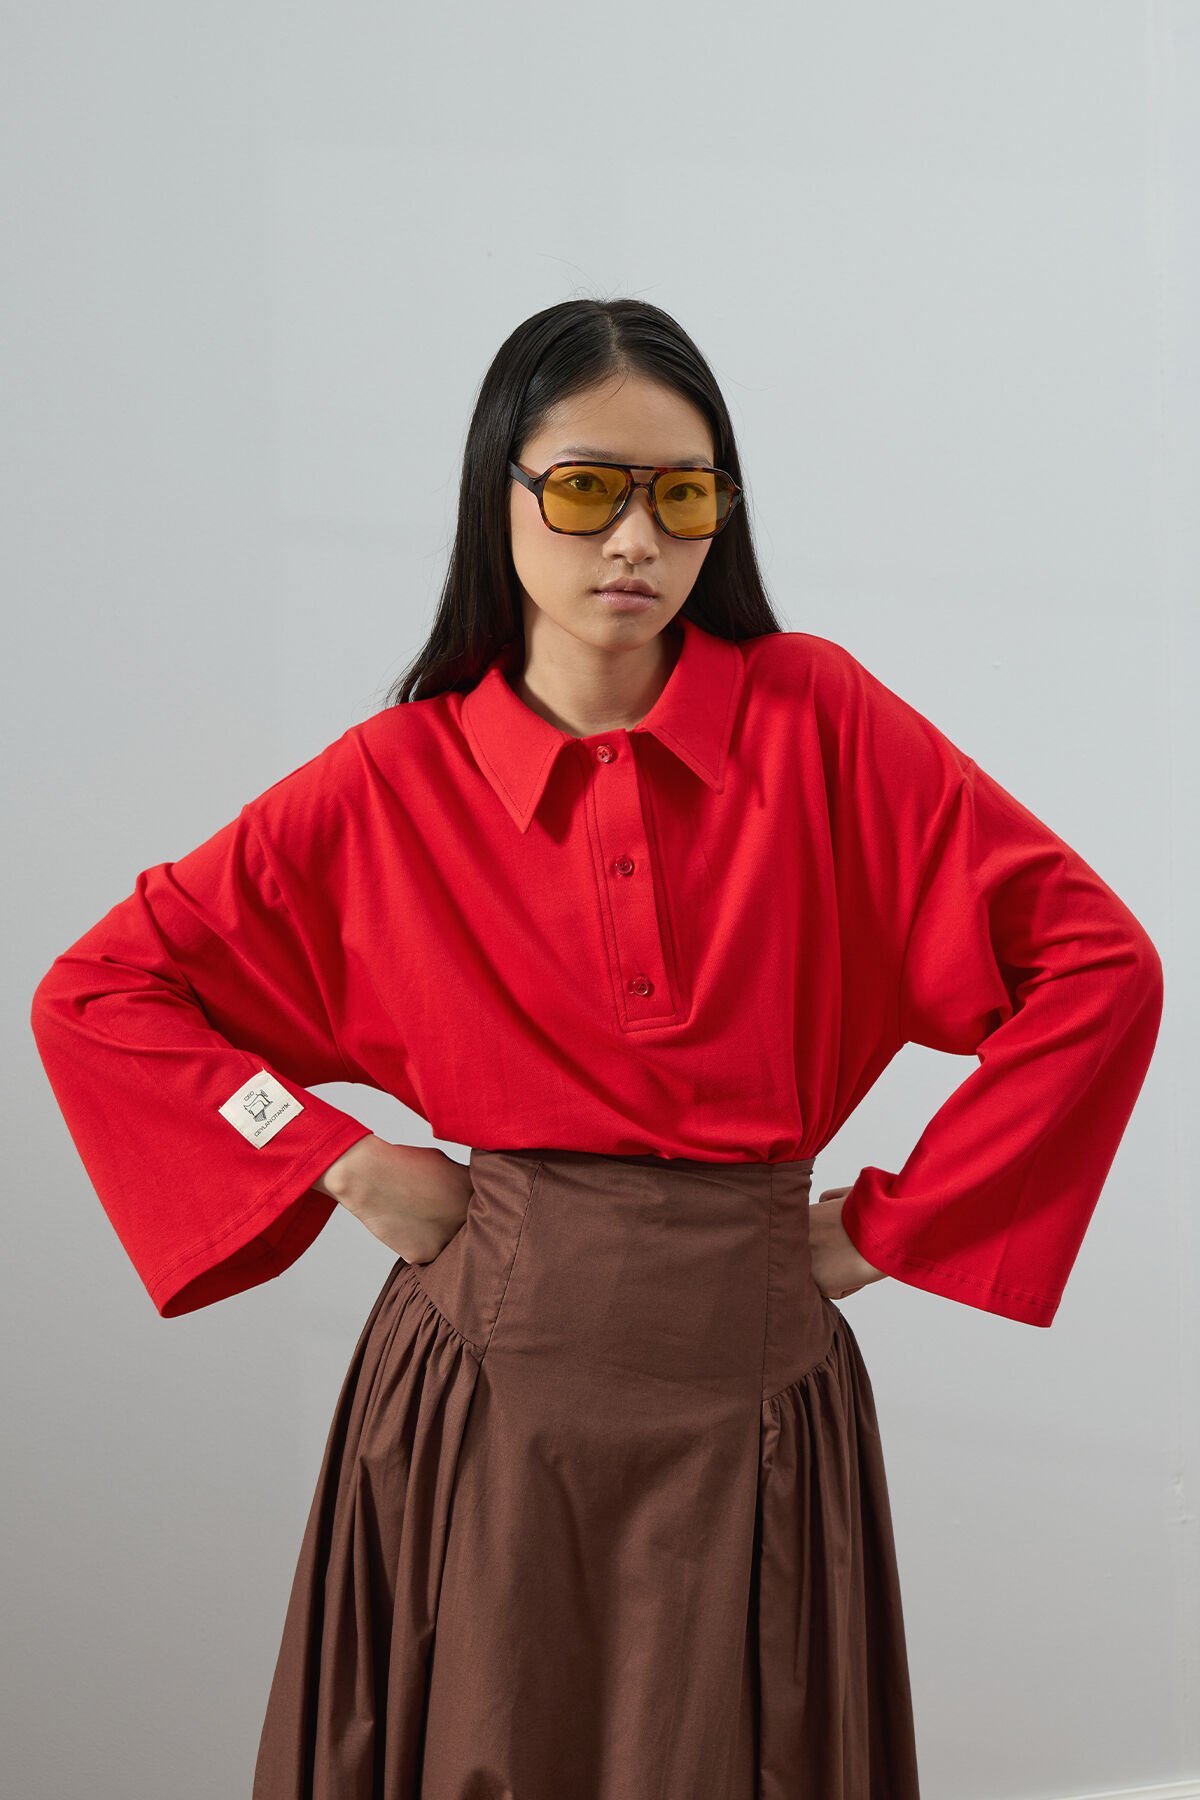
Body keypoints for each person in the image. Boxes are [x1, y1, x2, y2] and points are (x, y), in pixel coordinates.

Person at [29, 297, 1164, 1798]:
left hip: (756, 1384)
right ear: (496, 492)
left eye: (681, 496)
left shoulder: (818, 720)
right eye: (584, 489)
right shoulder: (395, 778)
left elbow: (1099, 969)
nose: (635, 540)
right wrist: (330, 1157)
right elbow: (101, 993)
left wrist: (894, 1227)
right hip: (484, 1395)